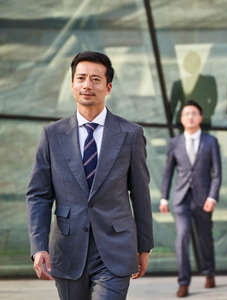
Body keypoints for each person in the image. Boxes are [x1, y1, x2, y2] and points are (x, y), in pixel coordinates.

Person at [26, 51, 154, 300]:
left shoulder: (130, 134)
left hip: (115, 248)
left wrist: (144, 245)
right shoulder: (52, 135)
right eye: (81, 78)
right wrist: (38, 246)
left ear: (108, 87)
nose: (87, 85)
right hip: (67, 248)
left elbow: (140, 193)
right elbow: (39, 195)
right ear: (72, 84)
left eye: (95, 79)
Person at [160, 100, 221, 298]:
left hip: (203, 199)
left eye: (194, 113)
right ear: (181, 119)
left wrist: (212, 196)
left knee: (205, 239)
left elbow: (217, 174)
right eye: (186, 114)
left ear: (200, 118)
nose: (190, 117)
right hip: (181, 199)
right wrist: (163, 197)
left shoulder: (211, 141)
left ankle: (209, 272)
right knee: (182, 237)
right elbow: (168, 172)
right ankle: (183, 282)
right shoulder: (175, 142)